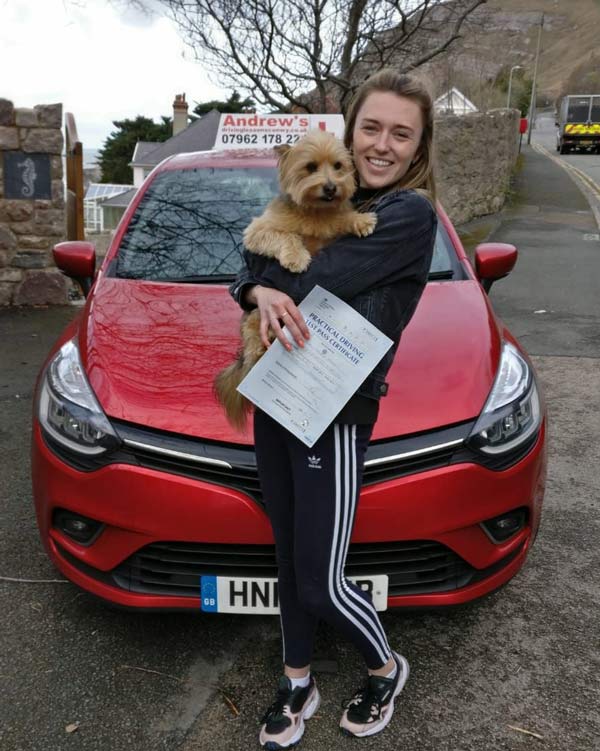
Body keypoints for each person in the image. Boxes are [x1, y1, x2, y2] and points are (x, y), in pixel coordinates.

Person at [229, 68, 438, 747]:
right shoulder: (326, 195)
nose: (382, 144)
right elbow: (257, 266)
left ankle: (385, 665)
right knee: (289, 558)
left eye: (400, 133)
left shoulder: (406, 215)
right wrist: (253, 291)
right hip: (277, 392)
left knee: (319, 581)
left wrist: (260, 281)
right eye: (371, 128)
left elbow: (309, 276)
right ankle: (298, 679)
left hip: (335, 410)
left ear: (419, 146)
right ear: (351, 133)